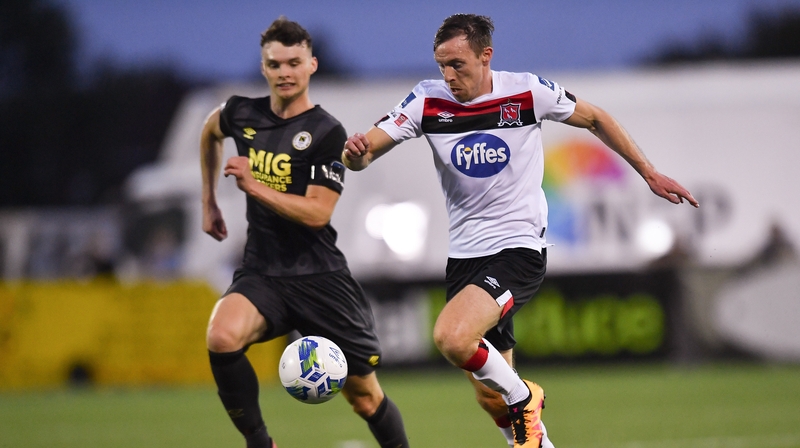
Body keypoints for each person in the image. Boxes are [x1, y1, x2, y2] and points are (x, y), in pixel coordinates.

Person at [342, 13, 699, 448]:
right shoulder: (426, 101)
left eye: (458, 64)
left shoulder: (527, 92)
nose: (448, 75)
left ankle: (525, 395)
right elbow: (365, 154)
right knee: (492, 401)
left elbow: (595, 118)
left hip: (519, 248)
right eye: (441, 65)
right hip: (464, 257)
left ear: (486, 55)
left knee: (453, 338)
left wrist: (649, 172)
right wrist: (355, 154)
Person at [201, 17, 410, 448]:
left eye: (294, 62)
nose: (285, 72)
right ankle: (260, 442)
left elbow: (317, 213)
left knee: (366, 399)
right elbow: (210, 130)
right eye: (275, 64)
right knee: (221, 336)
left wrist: (253, 185)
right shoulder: (242, 112)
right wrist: (209, 201)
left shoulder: (325, 132)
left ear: (311, 65)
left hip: (320, 278)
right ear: (264, 68)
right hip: (264, 272)